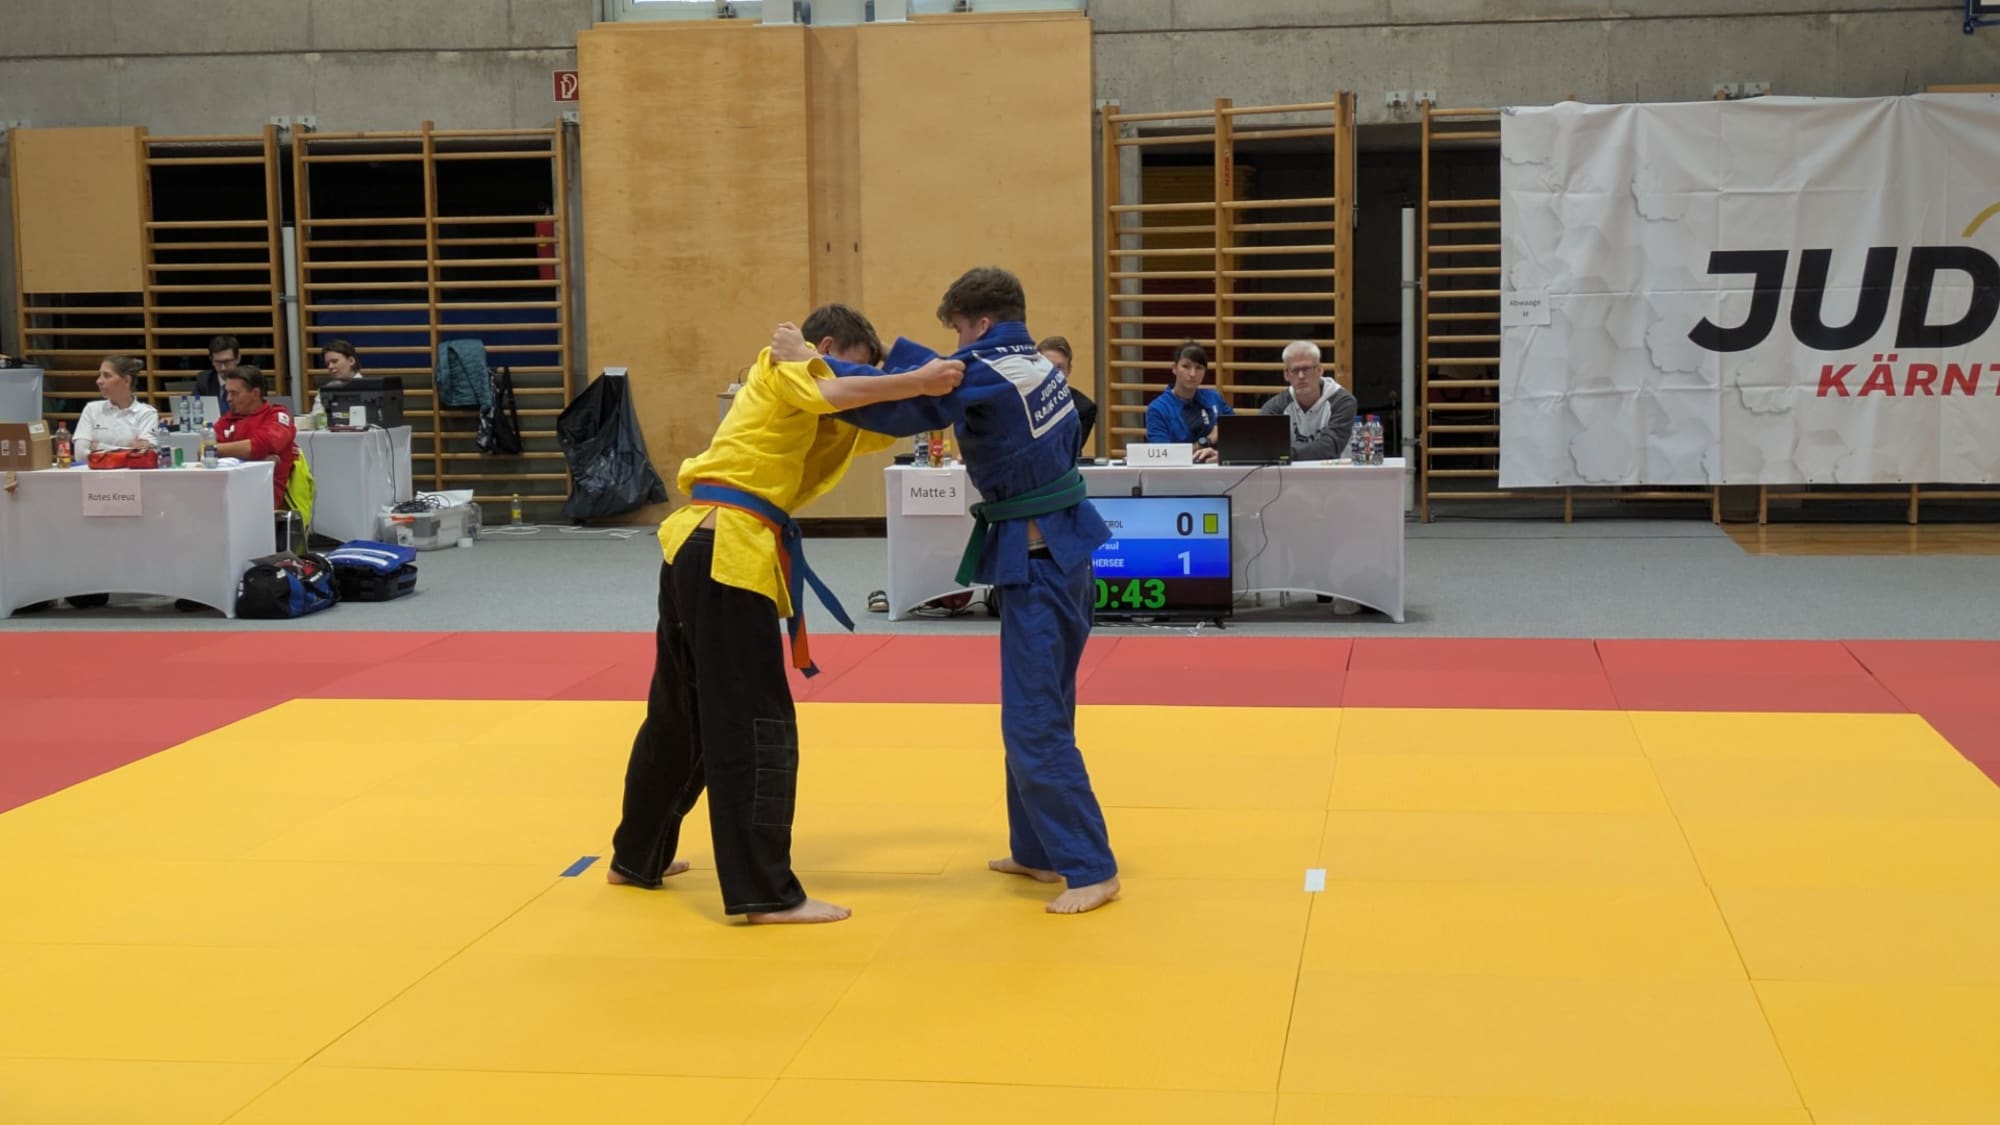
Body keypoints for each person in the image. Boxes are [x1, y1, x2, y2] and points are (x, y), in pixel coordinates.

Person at [607, 305, 964, 926]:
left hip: (701, 548)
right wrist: (911, 376)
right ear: (824, 346)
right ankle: (764, 894)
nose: (858, 377)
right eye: (853, 363)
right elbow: (839, 388)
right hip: (725, 550)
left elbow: (896, 408)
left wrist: (925, 370)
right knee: (752, 723)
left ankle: (636, 857)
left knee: (682, 716)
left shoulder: (834, 405)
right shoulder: (782, 365)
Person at [821, 267, 1121, 915]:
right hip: (1062, 553)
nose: (957, 344)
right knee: (1042, 708)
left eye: (959, 329)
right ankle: (1039, 850)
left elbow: (910, 403)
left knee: (1034, 720)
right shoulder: (1037, 365)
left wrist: (818, 371)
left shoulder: (989, 368)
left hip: (1042, 562)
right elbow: (945, 378)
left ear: (980, 324)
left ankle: (1091, 866)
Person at [214, 366, 298, 508]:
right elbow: (205, 453)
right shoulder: (226, 420)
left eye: (234, 393)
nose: (228, 399)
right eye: (227, 393)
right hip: (227, 495)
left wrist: (220, 450)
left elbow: (262, 444)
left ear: (255, 393)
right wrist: (259, 459)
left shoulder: (277, 415)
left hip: (266, 500)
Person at [1259, 340, 1357, 460]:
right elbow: (1264, 446)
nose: (1301, 376)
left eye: (1306, 369)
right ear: (1286, 374)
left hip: (1334, 470)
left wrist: (1285, 453)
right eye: (1295, 370)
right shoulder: (1276, 406)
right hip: (1290, 471)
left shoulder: (1342, 402)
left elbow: (1330, 447)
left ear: (1319, 370)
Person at [1144, 341, 1232, 463]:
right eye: (1186, 366)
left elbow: (1238, 437)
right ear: (1174, 369)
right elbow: (1163, 456)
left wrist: (1220, 455)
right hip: (1178, 473)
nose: (1192, 374)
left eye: (1199, 368)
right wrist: (1206, 441)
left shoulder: (1214, 397)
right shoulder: (1158, 409)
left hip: (1215, 470)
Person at [73, 355, 159, 457]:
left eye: (107, 375)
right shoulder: (91, 409)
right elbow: (80, 454)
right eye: (100, 375)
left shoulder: (147, 413)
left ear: (126, 380)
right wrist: (128, 450)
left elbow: (142, 456)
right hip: (93, 468)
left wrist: (100, 447)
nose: (98, 381)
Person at [1036, 334, 1098, 457]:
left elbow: (1069, 450)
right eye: (1047, 366)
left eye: (1059, 368)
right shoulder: (1019, 399)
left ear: (1069, 370)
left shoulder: (1084, 408)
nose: (1053, 373)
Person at [193, 335, 242, 417]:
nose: (223, 368)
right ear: (211, 360)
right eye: (218, 362)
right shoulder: (204, 380)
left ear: (238, 358)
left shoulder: (249, 381)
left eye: (227, 361)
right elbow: (193, 410)